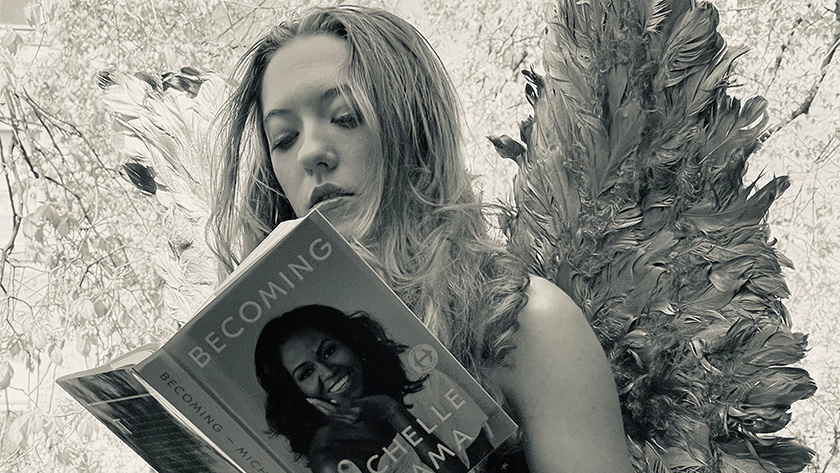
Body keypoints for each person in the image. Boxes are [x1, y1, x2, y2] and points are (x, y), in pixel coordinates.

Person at [209, 5, 634, 472]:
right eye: (284, 138)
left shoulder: (524, 326)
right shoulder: (326, 446)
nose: (311, 152)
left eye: (346, 116)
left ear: (411, 131)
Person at [255, 305, 495, 473]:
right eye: (306, 373)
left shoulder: (419, 376)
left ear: (351, 344)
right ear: (297, 393)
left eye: (329, 351)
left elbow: (487, 458)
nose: (327, 372)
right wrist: (392, 412)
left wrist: (391, 410)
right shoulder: (332, 460)